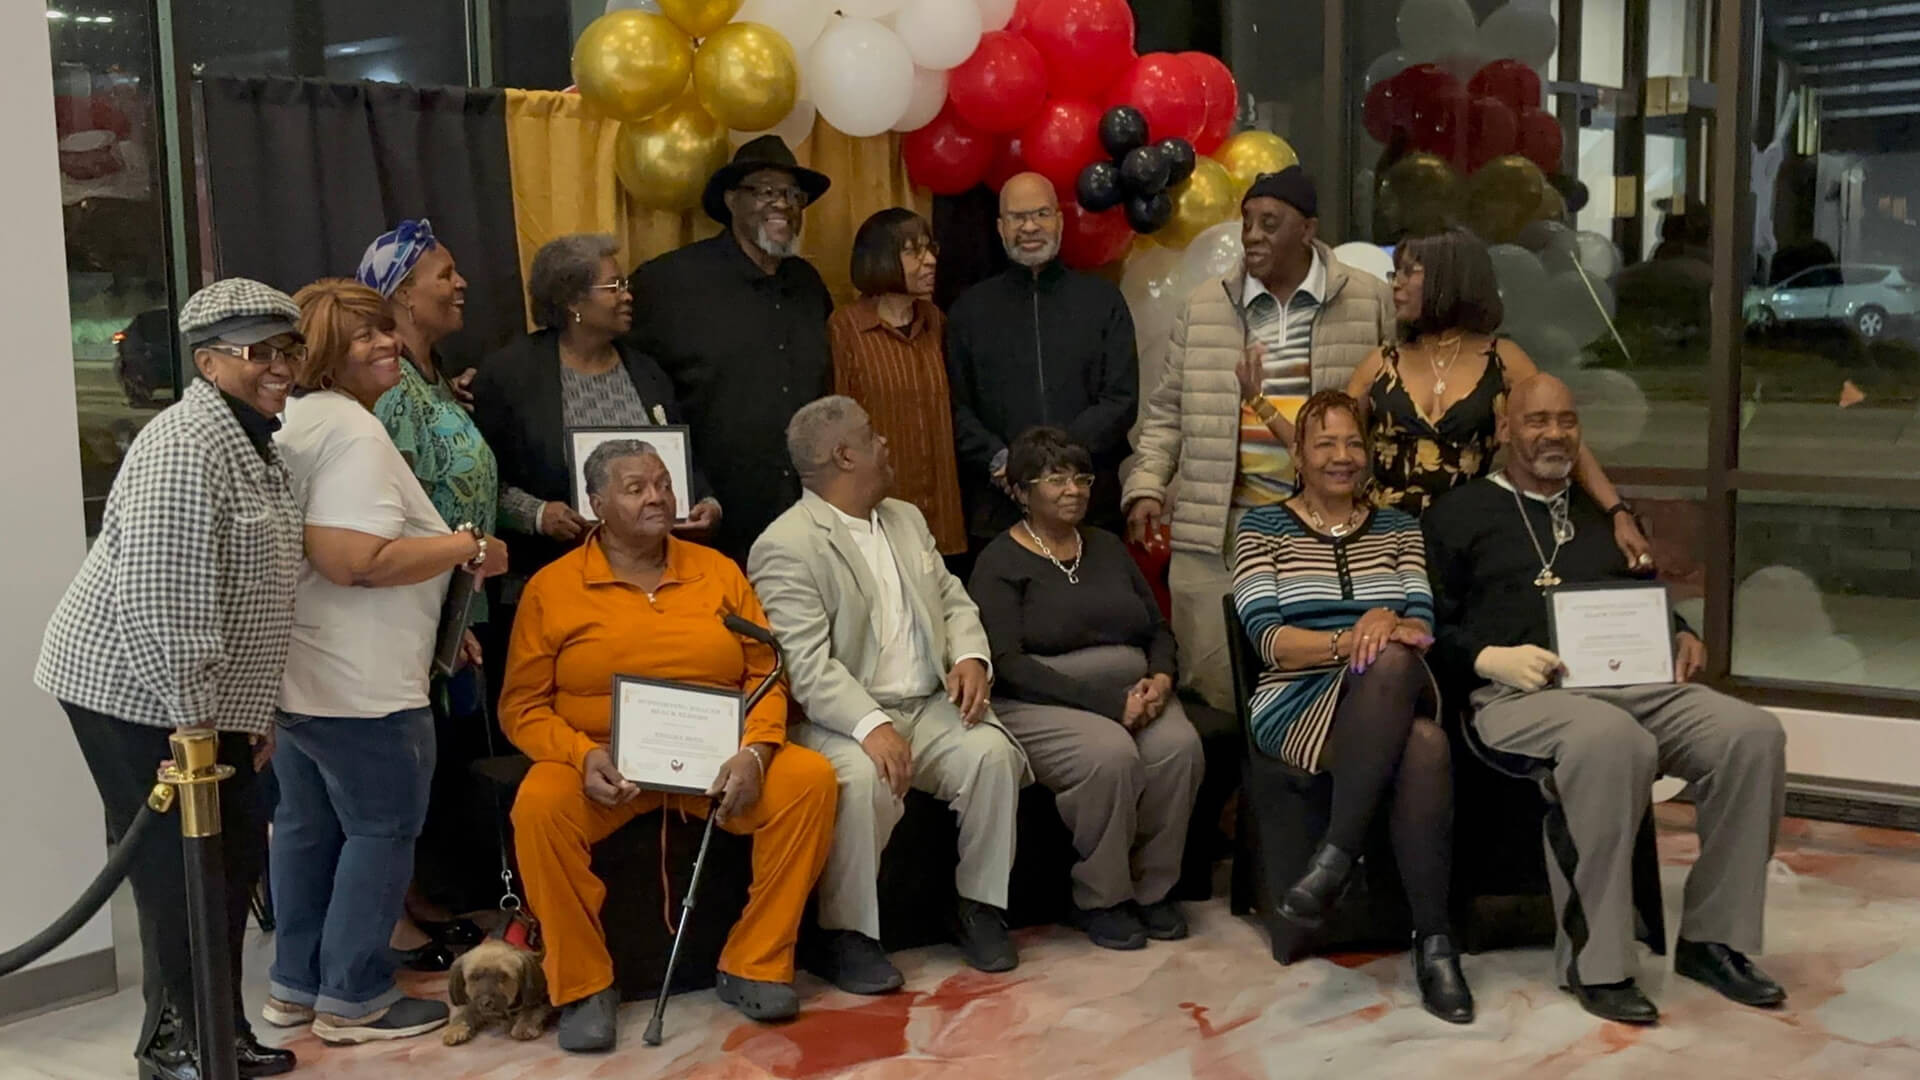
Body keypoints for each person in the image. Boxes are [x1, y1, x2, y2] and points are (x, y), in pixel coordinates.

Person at [1422, 374, 1787, 1026]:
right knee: (1612, 741)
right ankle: (1597, 962)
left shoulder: (1601, 516)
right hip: (1518, 694)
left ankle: (1714, 939)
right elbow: (1427, 627)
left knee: (1751, 735)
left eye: (1566, 421)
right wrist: (1485, 657)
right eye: (1536, 421)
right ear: (1505, 430)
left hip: (1630, 684)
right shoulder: (1457, 514)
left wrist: (1681, 635)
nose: (1553, 433)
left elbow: (1635, 600)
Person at [36, 278, 305, 1080]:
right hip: (134, 690)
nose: (278, 366)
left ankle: (217, 1029)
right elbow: (165, 604)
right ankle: (179, 1041)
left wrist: (249, 718)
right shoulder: (184, 447)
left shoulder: (256, 439)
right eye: (256, 353)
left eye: (286, 348)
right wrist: (196, 729)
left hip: (207, 696)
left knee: (226, 861)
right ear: (209, 361)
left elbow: (257, 600)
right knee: (178, 869)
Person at [501, 439, 836, 1052]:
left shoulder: (717, 571)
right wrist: (580, 755)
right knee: (538, 805)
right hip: (604, 765)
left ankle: (754, 962)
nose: (656, 497)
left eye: (662, 484)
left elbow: (766, 670)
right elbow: (521, 707)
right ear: (597, 503)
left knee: (809, 778)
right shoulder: (552, 588)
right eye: (635, 488)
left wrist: (757, 751)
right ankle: (582, 986)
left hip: (717, 764)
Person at [263, 280, 508, 1046]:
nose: (386, 345)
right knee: (381, 830)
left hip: (303, 675)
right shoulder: (356, 434)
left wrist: (440, 622)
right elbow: (355, 560)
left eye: (384, 331)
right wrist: (470, 547)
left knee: (306, 829)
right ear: (324, 354)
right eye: (361, 337)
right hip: (364, 687)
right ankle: (355, 998)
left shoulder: (295, 422)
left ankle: (294, 989)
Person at [749, 396, 1027, 995]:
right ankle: (844, 936)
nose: (886, 445)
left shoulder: (904, 517)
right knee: (862, 779)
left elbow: (952, 599)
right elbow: (804, 664)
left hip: (927, 705)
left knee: (992, 756)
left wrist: (971, 656)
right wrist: (871, 724)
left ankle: (977, 908)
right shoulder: (786, 544)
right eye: (873, 436)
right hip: (839, 718)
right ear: (845, 456)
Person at [1231, 391, 1471, 1024]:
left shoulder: (1399, 528)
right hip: (1295, 698)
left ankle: (1336, 857)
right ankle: (1436, 943)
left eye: (1354, 443)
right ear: (1299, 456)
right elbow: (1269, 639)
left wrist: (1385, 622)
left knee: (1393, 664)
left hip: (1394, 682)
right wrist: (1352, 638)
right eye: (1325, 443)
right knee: (1425, 746)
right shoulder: (1261, 528)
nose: (1342, 456)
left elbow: (1420, 627)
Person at [1125, 166, 1395, 712]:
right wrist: (1148, 483)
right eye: (1247, 222)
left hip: (1326, 535)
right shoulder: (1205, 306)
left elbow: (1392, 413)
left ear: (1308, 230)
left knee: (1321, 691)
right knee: (1221, 689)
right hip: (1220, 532)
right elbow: (1166, 411)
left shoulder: (1365, 301)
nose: (1251, 235)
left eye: (1269, 223)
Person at [967, 427, 1204, 951]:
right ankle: (1102, 899)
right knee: (1109, 755)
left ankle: (1154, 891)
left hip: (1135, 689)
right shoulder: (999, 563)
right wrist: (1109, 705)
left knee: (1179, 748)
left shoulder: (1107, 546)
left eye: (1081, 477)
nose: (1074, 490)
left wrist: (1161, 679)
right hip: (1040, 700)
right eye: (1055, 479)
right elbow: (1006, 664)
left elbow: (1158, 629)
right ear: (1022, 492)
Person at [357, 219, 502, 964]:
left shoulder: (435, 379)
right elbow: (401, 515)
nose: (461, 284)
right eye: (444, 274)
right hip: (420, 610)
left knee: (435, 767)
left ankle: (414, 897)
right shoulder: (390, 392)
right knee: (407, 771)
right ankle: (395, 920)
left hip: (454, 613)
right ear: (403, 294)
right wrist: (442, 610)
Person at [1341, 227, 1651, 568]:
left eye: (1408, 272)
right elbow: (1328, 445)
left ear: (1449, 279)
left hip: (1471, 537)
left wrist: (1617, 511)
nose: (1395, 283)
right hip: (1383, 539)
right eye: (1394, 272)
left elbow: (1559, 435)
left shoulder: (1502, 359)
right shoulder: (1380, 363)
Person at [474, 233, 718, 615]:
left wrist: (706, 503)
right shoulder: (510, 375)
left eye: (626, 285)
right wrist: (537, 515)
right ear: (572, 300)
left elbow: (683, 460)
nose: (627, 296)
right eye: (613, 286)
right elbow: (485, 483)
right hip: (554, 581)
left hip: (653, 583)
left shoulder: (648, 372)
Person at [626, 136, 834, 561]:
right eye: (765, 191)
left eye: (794, 194)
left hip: (806, 513)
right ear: (731, 200)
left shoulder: (809, 285)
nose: (783, 204)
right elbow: (631, 389)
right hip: (713, 517)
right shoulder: (670, 283)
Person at [947, 172, 1137, 546]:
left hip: (1090, 506)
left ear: (1060, 220)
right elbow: (955, 408)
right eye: (1018, 218)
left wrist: (1055, 466)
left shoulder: (1103, 302)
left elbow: (1120, 399)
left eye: (1041, 214)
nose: (1030, 226)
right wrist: (1006, 463)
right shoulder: (969, 311)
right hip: (1000, 512)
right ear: (1000, 227)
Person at [829, 207, 965, 557]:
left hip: (942, 517)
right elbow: (839, 428)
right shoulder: (846, 328)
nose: (930, 260)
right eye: (913, 251)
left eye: (930, 248)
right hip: (879, 518)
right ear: (880, 259)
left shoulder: (936, 322)